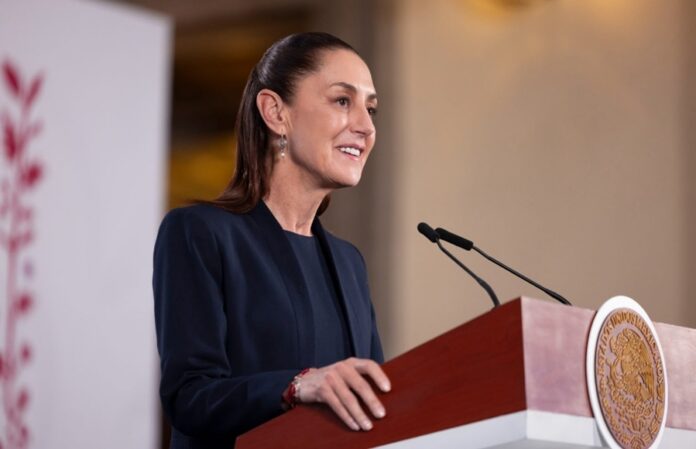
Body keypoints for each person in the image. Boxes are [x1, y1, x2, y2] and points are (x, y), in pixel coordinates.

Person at [153, 32, 391, 449]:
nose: (366, 127)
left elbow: (371, 405)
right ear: (276, 112)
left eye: (370, 109)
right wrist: (297, 386)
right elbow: (189, 398)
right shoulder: (199, 233)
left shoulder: (349, 262)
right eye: (342, 101)